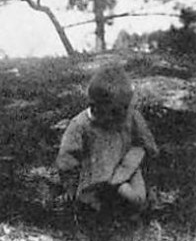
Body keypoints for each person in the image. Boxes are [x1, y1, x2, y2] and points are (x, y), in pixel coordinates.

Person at [56, 64, 158, 216]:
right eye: (115, 112)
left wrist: (145, 175)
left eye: (125, 110)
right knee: (91, 205)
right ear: (95, 107)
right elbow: (67, 158)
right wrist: (70, 187)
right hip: (96, 177)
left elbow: (146, 144)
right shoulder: (81, 125)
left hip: (127, 172)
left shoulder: (130, 116)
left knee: (137, 199)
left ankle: (130, 212)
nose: (121, 117)